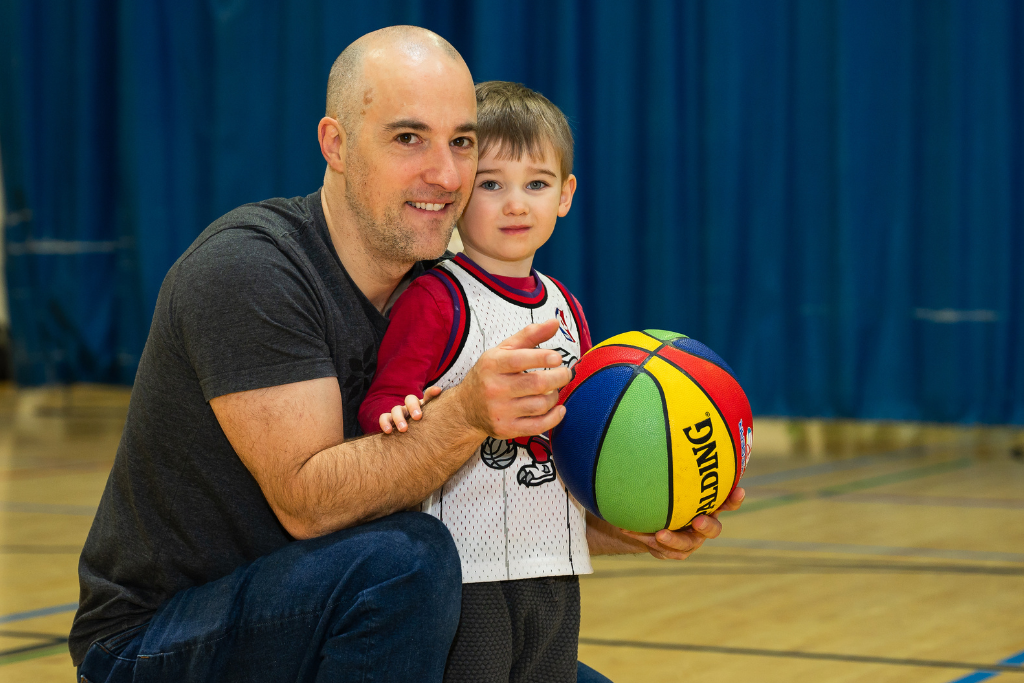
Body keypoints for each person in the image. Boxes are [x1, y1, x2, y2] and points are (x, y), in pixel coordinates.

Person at [69, 26, 744, 683]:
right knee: (405, 560)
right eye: (407, 138)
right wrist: (468, 414)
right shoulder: (252, 268)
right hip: (159, 643)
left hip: (352, 615)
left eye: (462, 142)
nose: (445, 172)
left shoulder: (451, 290)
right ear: (335, 144)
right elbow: (309, 506)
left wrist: (629, 517)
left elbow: (483, 495)